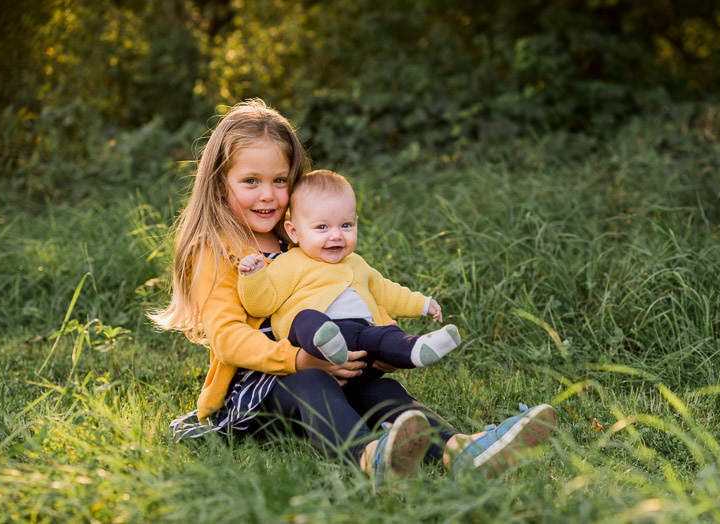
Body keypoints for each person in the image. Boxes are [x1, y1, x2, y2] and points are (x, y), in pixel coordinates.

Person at [150, 98, 558, 483]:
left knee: (378, 388)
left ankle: (459, 450)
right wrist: (299, 360)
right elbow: (226, 339)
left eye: (279, 180)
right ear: (222, 184)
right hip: (261, 391)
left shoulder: (296, 237)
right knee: (315, 385)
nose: (268, 195)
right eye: (250, 181)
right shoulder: (218, 250)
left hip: (327, 361)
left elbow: (350, 291)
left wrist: (378, 346)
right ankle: (367, 456)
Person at [236, 169, 461, 379]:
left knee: (383, 335)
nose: (336, 236)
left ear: (355, 224)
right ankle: (329, 342)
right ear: (294, 232)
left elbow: (387, 292)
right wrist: (254, 275)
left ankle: (414, 348)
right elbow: (261, 305)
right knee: (306, 318)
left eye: (345, 225)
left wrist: (422, 304)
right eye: (322, 227)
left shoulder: (357, 264)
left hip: (361, 340)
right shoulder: (289, 263)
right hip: (313, 347)